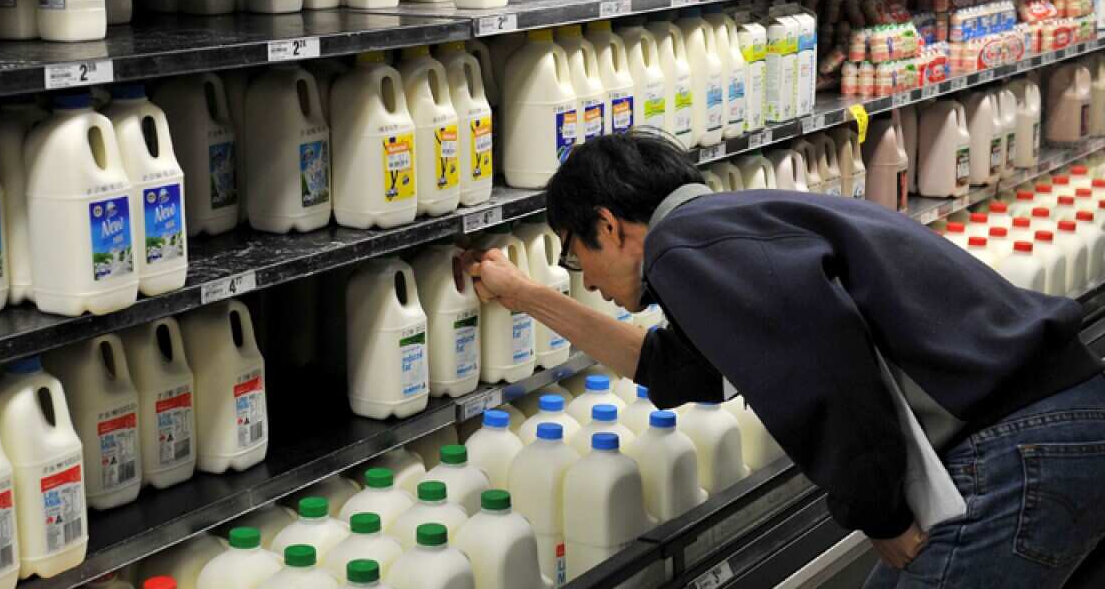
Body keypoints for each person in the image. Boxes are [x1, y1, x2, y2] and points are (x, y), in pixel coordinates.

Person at [463, 129, 1105, 588]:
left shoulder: (680, 246)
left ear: (608, 225)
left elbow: (824, 369)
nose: (589, 281)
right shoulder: (722, 232)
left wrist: (879, 514)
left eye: (576, 256)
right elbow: (675, 367)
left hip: (1017, 447)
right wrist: (528, 298)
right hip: (1057, 426)